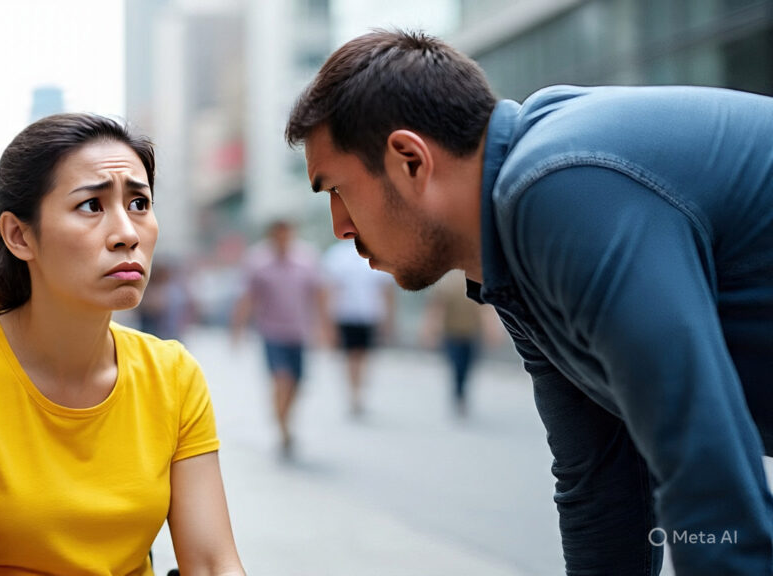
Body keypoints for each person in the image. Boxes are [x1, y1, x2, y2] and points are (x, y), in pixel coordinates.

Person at [285, 28, 773, 576]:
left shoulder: (558, 189)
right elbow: (604, 491)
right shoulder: (511, 251)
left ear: (410, 161)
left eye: (336, 189)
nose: (339, 226)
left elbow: (707, 480)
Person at [0, 113, 245, 576]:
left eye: (139, 203)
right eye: (92, 206)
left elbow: (214, 562)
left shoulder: (173, 374)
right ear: (20, 236)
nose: (127, 234)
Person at [231, 219, 323, 459]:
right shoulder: (258, 261)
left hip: (300, 332)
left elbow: (318, 294)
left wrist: (325, 326)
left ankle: (286, 418)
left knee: (297, 384)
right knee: (281, 379)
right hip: (272, 332)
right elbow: (248, 297)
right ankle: (283, 431)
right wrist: (238, 329)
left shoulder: (307, 258)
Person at [320, 239, 394, 417]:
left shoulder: (377, 250)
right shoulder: (337, 254)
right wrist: (327, 323)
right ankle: (353, 394)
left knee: (364, 356)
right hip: (347, 314)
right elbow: (329, 289)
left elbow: (386, 289)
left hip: (369, 314)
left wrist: (389, 319)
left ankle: (359, 392)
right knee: (351, 356)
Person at [421, 270, 497, 418]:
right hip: (452, 334)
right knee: (457, 365)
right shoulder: (446, 282)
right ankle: (458, 393)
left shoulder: (476, 280)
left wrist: (490, 330)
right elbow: (437, 309)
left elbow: (485, 309)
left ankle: (461, 393)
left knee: (467, 366)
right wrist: (431, 330)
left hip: (471, 334)